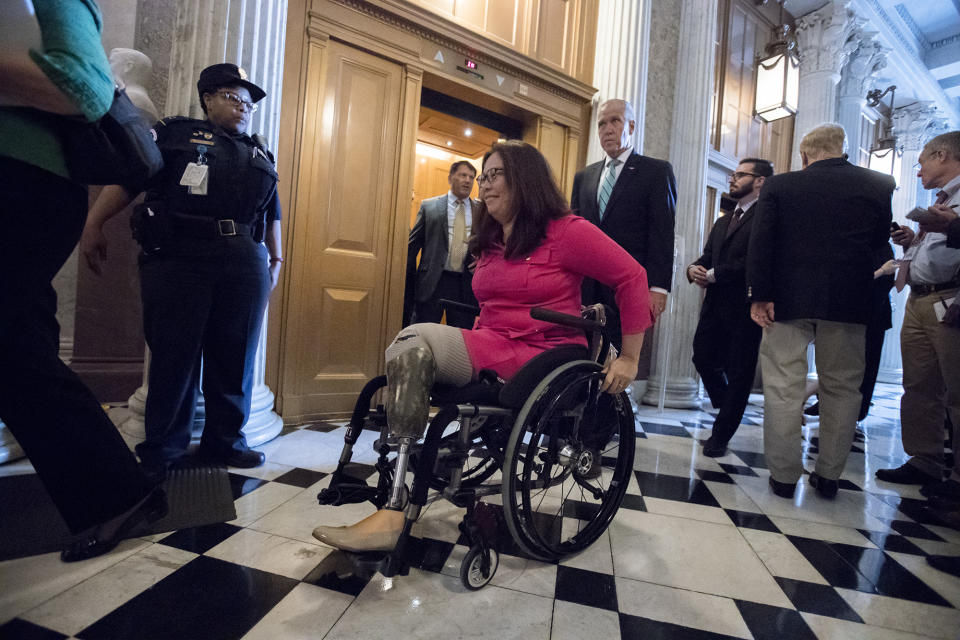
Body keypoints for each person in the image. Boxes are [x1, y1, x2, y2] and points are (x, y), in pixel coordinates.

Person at [312, 140, 654, 552]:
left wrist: (631, 357)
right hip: (491, 343)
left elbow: (632, 277)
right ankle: (414, 465)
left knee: (414, 338)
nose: (484, 186)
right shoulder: (493, 240)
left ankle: (396, 507)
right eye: (483, 177)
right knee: (410, 348)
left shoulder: (567, 232)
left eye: (495, 176)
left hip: (542, 353)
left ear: (525, 181)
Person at [0, 0, 165, 562]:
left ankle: (114, 491)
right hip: (24, 183)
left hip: (22, 181)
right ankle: (111, 490)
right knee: (22, 337)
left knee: (11, 343)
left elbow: (86, 91)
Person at [80, 63, 283, 478]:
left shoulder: (260, 150)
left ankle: (225, 442)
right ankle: (164, 447)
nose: (243, 107)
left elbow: (273, 210)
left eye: (248, 103)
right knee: (175, 354)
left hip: (244, 261)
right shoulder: (174, 134)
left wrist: (276, 257)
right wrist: (93, 223)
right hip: (179, 257)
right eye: (232, 97)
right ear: (207, 98)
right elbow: (132, 177)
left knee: (236, 356)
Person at [746, 123, 894, 500]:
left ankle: (782, 476)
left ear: (804, 154)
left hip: (786, 299)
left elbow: (761, 242)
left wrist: (759, 295)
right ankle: (828, 476)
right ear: (843, 150)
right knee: (842, 388)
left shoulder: (780, 185)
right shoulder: (879, 184)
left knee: (782, 385)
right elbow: (879, 246)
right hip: (849, 302)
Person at [875, 131, 960, 503]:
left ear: (942, 155)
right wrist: (913, 240)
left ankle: (955, 479)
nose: (919, 170)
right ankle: (923, 459)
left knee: (955, 392)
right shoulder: (941, 201)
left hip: (950, 300)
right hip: (919, 298)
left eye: (922, 161)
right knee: (919, 385)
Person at [571, 98, 676, 348]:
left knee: (617, 358)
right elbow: (573, 230)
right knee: (581, 352)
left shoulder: (656, 172)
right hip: (586, 285)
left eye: (615, 121)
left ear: (631, 126)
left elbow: (662, 233)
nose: (607, 129)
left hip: (627, 286)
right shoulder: (584, 176)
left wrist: (658, 288)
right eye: (601, 124)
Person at [688, 158, 772, 457]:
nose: (733, 179)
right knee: (702, 357)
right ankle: (729, 405)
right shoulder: (724, 219)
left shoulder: (767, 215)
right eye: (733, 175)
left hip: (746, 307)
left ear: (760, 180)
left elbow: (754, 260)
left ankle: (720, 435)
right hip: (715, 305)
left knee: (740, 371)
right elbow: (708, 256)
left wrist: (714, 274)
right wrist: (694, 269)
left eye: (740, 175)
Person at [403, 161, 479, 328]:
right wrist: (407, 284)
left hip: (464, 285)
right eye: (463, 175)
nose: (468, 180)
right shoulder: (429, 207)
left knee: (460, 339)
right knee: (422, 332)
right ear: (451, 177)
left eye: (471, 177)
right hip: (432, 283)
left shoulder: (481, 212)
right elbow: (412, 247)